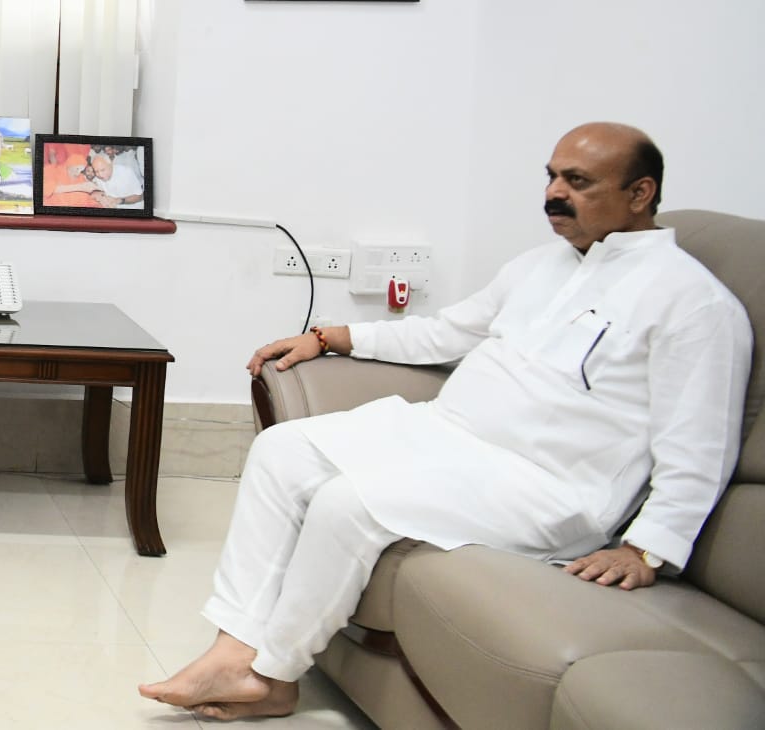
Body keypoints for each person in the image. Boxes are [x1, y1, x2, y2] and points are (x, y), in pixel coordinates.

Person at [138, 122, 753, 721]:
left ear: (640, 193)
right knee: (283, 451)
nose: (553, 194)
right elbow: (446, 332)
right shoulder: (543, 264)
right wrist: (331, 336)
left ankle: (273, 677)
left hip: (549, 487)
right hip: (448, 435)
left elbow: (699, 444)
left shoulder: (694, 305)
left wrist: (649, 548)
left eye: (578, 181)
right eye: (551, 177)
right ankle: (234, 649)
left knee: (348, 503)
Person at [54, 149, 144, 209]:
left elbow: (139, 197)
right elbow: (96, 191)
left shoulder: (126, 172)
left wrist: (119, 200)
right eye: (96, 171)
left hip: (132, 208)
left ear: (110, 163)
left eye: (103, 170)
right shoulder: (97, 177)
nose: (100, 174)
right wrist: (101, 197)